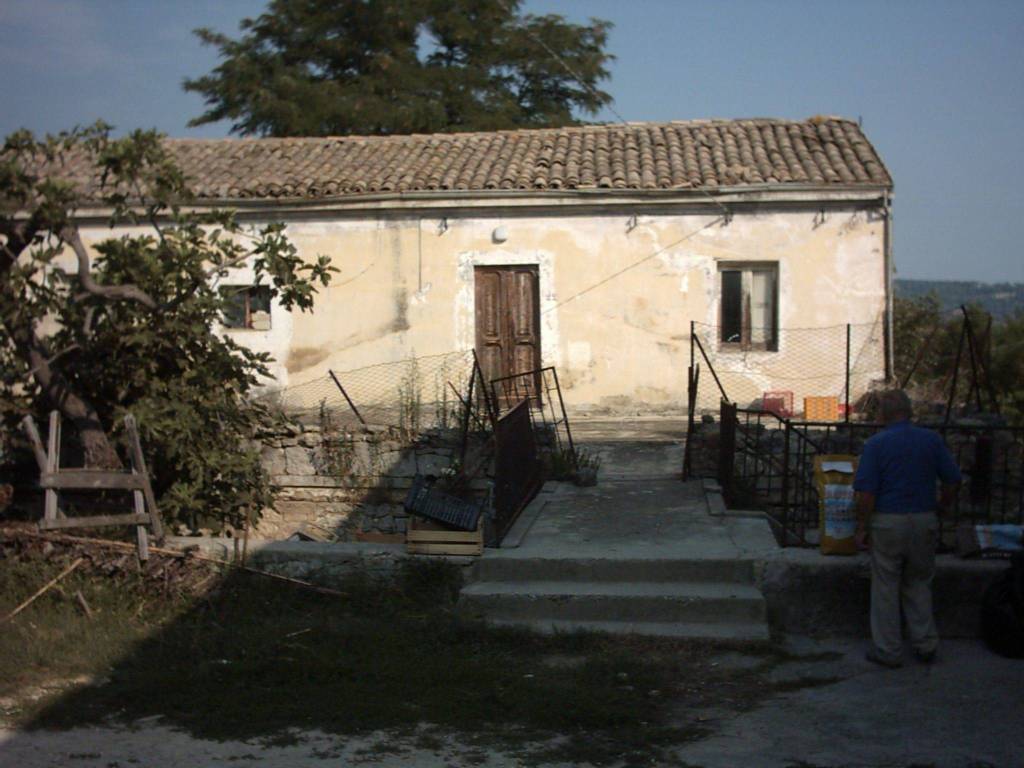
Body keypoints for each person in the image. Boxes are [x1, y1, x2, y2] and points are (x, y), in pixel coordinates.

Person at [853, 389, 961, 668]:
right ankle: (925, 643)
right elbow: (951, 479)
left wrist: (862, 526)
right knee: (920, 582)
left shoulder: (876, 444)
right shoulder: (931, 440)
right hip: (924, 518)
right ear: (909, 411)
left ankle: (888, 649)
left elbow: (866, 492)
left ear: (882, 414)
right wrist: (942, 505)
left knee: (886, 585)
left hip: (888, 521)